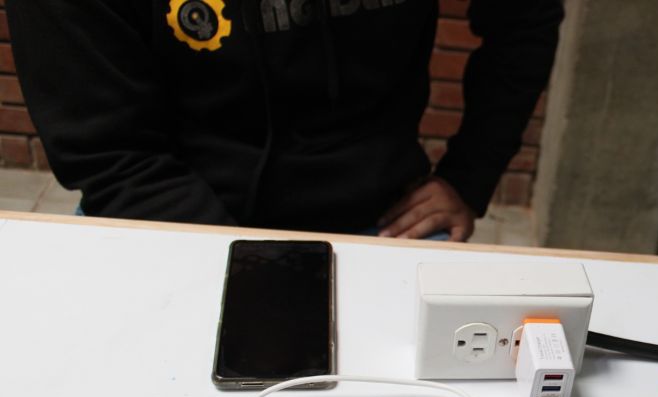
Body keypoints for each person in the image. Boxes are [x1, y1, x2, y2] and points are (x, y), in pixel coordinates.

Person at [6, 0, 562, 241]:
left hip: (385, 216)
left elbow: (526, 19)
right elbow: (111, 151)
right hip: (165, 212)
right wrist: (256, 272)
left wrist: (469, 177)